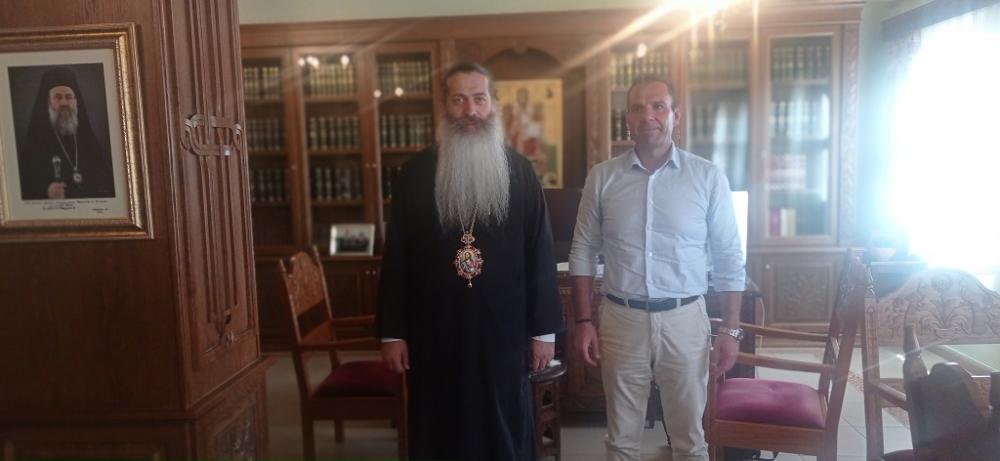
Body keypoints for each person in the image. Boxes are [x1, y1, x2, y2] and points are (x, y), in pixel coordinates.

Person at [376, 62, 563, 461]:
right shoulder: (414, 173)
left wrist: (543, 331)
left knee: (504, 428)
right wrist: (393, 332)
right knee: (439, 425)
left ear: (493, 104)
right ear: (444, 106)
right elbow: (397, 256)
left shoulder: (519, 172)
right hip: (434, 333)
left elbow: (540, 253)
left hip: (504, 334)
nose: (470, 111)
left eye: (479, 99)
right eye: (459, 100)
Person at [569, 75, 745, 461]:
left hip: (685, 320)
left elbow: (729, 256)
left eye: (658, 106)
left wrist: (731, 329)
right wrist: (583, 321)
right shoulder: (602, 177)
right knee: (621, 440)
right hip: (621, 320)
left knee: (689, 440)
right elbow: (582, 250)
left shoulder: (707, 177)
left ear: (675, 115)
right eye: (637, 108)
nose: (647, 115)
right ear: (627, 120)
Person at [16, 67, 115, 200]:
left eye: (68, 97)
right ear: (48, 102)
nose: (64, 103)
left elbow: (107, 183)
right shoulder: (35, 142)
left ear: (75, 102)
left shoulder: (88, 140)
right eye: (58, 97)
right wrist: (46, 192)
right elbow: (22, 188)